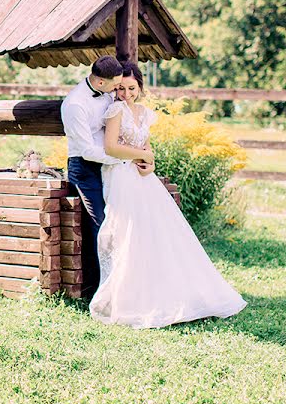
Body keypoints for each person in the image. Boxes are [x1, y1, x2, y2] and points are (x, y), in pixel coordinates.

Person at [88, 61, 247, 328]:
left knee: (158, 230)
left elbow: (146, 146)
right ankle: (129, 299)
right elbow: (112, 147)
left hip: (142, 177)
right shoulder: (115, 110)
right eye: (121, 89)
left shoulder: (144, 113)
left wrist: (150, 163)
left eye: (131, 88)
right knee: (129, 231)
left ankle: (169, 291)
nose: (126, 94)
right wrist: (143, 155)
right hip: (120, 174)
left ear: (139, 87)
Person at [60, 55, 139, 299]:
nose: (119, 90)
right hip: (85, 168)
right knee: (101, 223)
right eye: (115, 85)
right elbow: (87, 150)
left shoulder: (106, 92)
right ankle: (100, 290)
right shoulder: (75, 105)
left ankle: (126, 280)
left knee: (121, 218)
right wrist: (124, 157)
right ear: (100, 81)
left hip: (111, 163)